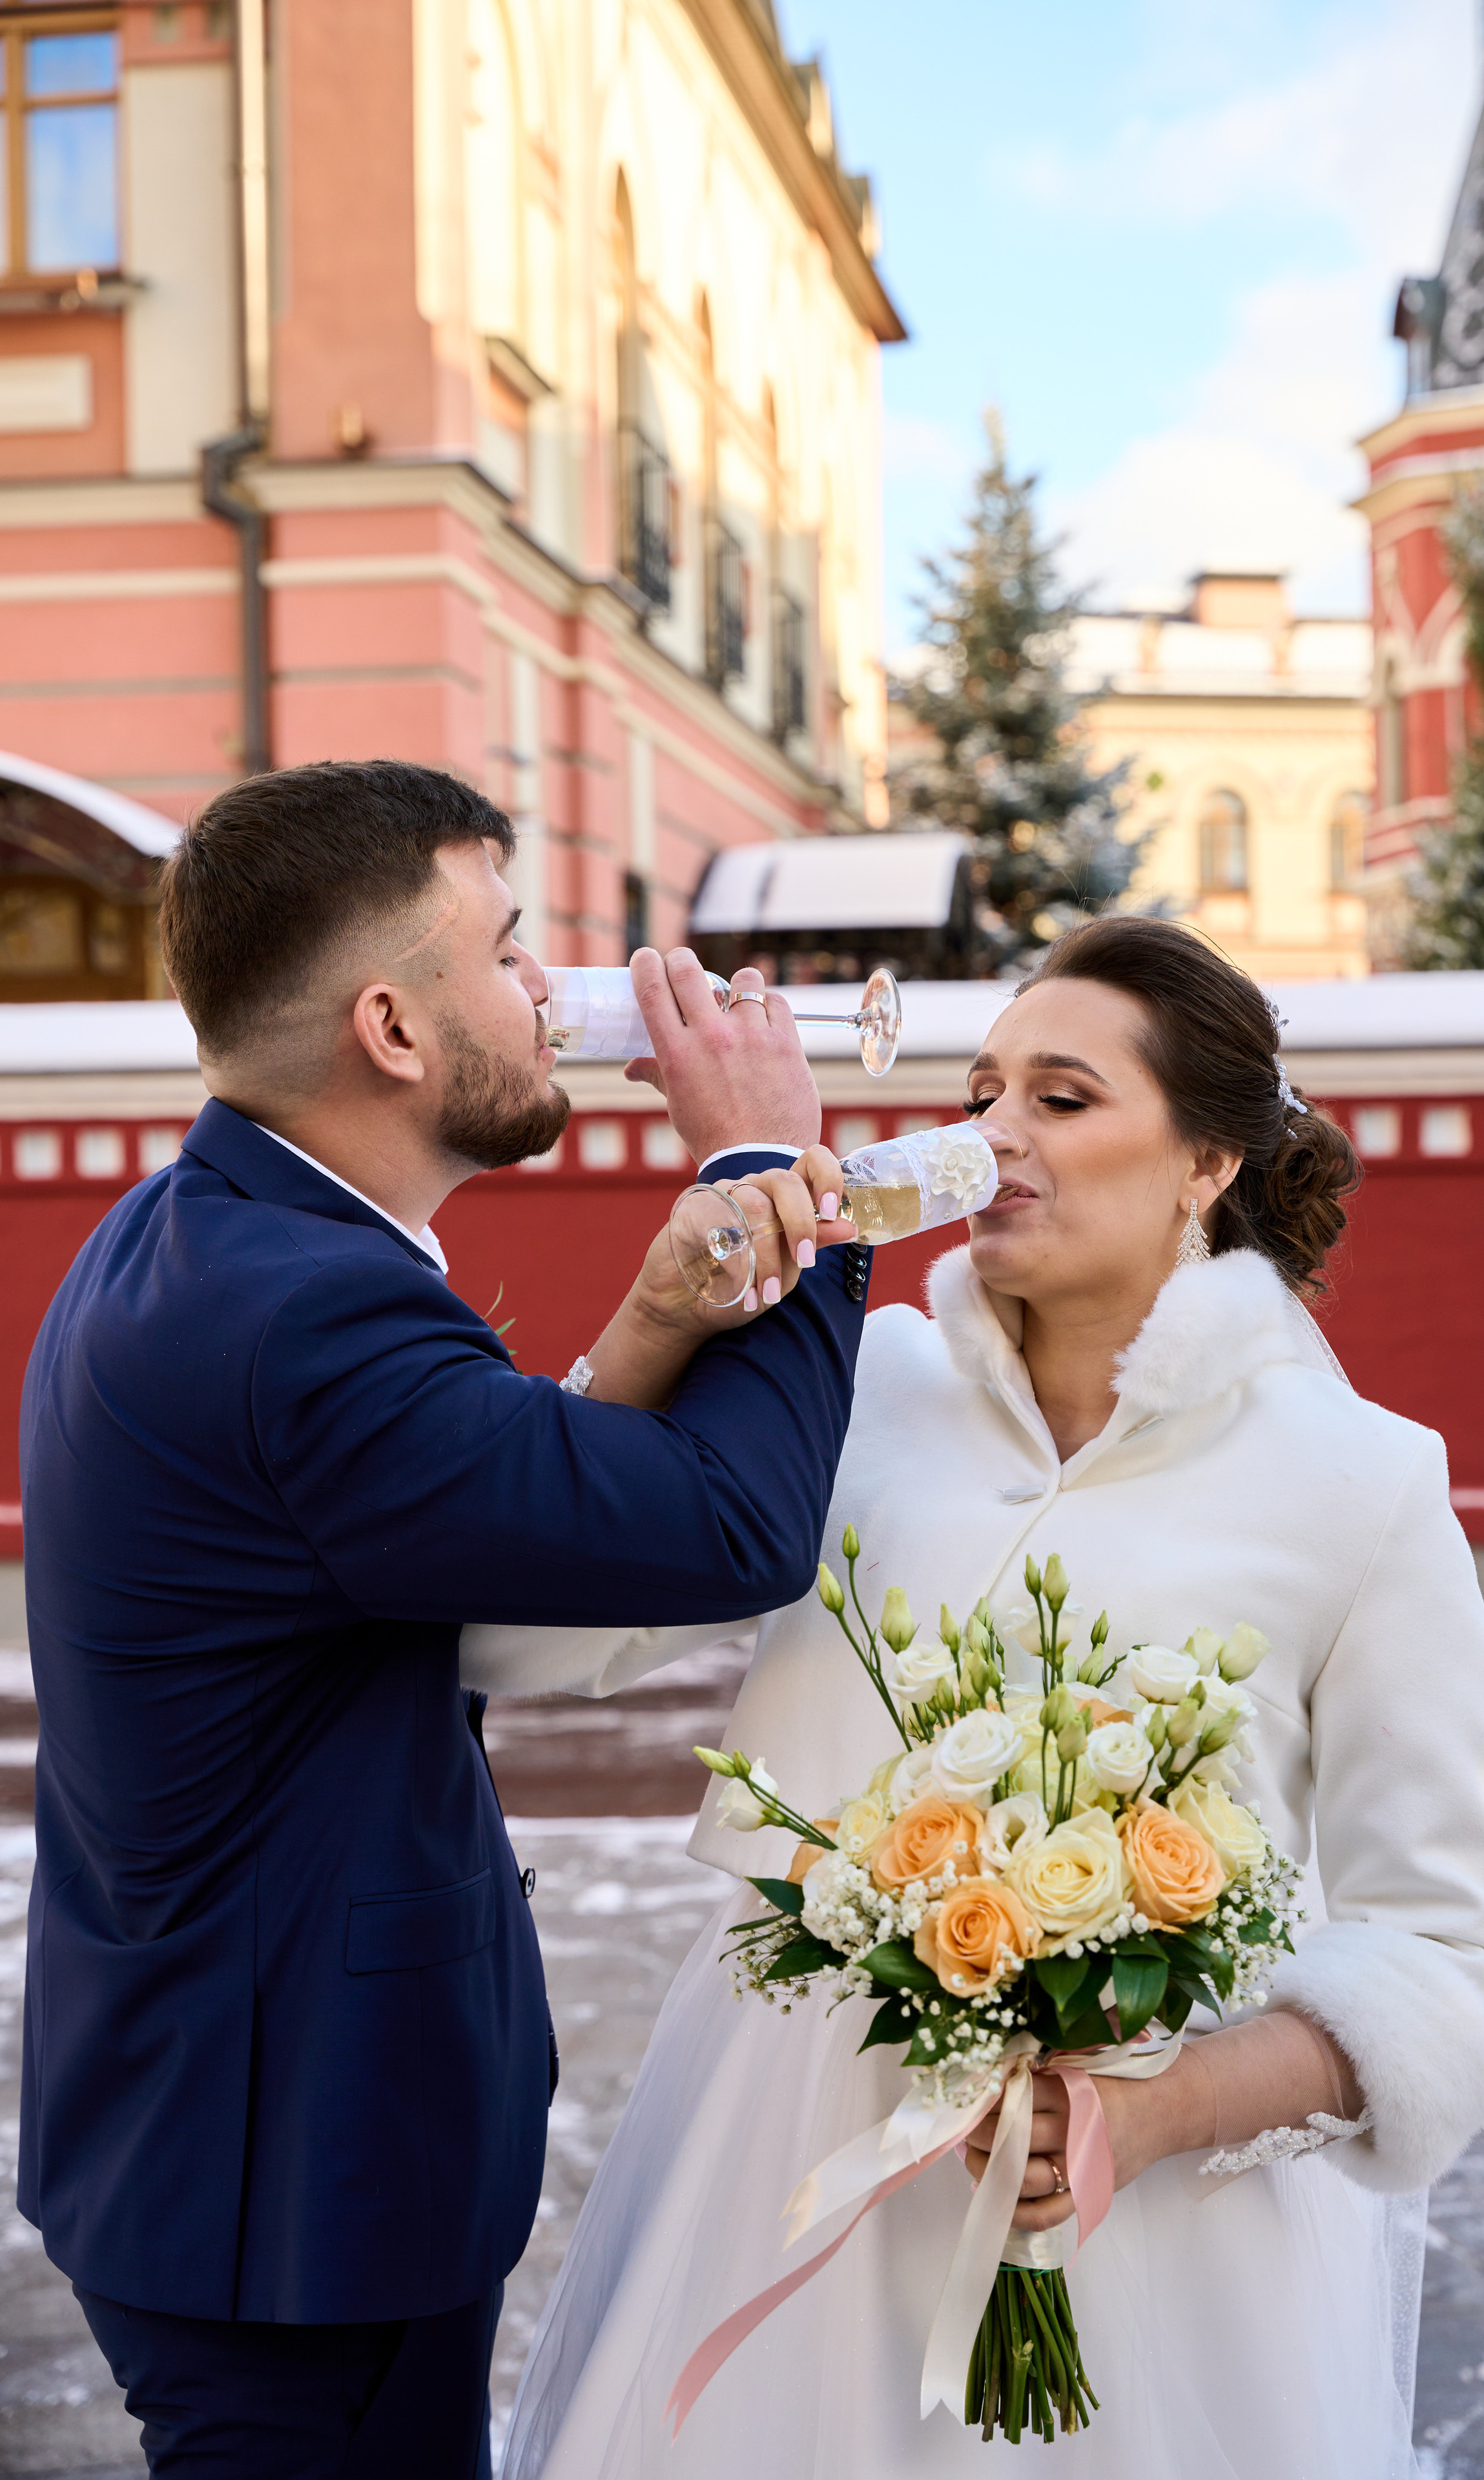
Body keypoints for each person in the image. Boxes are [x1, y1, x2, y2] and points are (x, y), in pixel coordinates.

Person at [472, 914, 1484, 2480]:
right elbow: (514, 1639)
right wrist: (664, 1326)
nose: (990, 1137)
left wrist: (1158, 2112)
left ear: (1207, 1163)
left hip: (1160, 2248)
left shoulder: (1364, 1482)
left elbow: (1454, 1962)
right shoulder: (849, 1382)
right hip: (790, 2167)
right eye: (978, 1093)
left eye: (1061, 1097)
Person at [17, 758, 869, 2479]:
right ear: (396, 1031)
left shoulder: (209, 1236)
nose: (562, 994)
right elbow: (737, 1528)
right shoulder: (306, 1319)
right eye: (510, 946)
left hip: (223, 2136)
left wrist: (643, 1323)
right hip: (291, 2185)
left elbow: (467, 1536)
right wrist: (769, 1153)